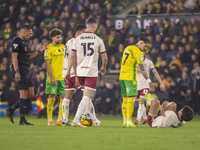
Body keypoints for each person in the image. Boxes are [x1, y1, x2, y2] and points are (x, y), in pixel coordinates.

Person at [65, 17, 108, 127]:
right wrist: (103, 67)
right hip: (91, 72)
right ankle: (75, 119)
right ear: (95, 26)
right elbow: (105, 57)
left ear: (86, 25)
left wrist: (68, 71)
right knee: (87, 97)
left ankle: (95, 120)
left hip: (79, 71)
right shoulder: (98, 39)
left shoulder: (77, 39)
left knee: (87, 97)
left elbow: (72, 56)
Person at [5, 25, 47, 125]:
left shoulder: (25, 43)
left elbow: (27, 57)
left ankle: (11, 110)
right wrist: (17, 71)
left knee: (31, 95)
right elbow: (14, 57)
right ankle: (22, 120)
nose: (31, 35)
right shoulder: (16, 41)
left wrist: (38, 51)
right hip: (19, 70)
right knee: (23, 94)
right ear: (24, 32)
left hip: (25, 69)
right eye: (29, 33)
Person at [119, 36, 154, 128]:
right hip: (130, 77)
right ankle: (129, 122)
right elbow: (142, 69)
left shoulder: (127, 47)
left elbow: (122, 61)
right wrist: (149, 80)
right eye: (145, 46)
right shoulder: (138, 52)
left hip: (122, 76)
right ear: (141, 43)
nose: (145, 49)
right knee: (130, 100)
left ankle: (125, 121)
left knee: (125, 99)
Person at [134, 52, 164, 125]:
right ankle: (144, 118)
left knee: (141, 101)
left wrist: (161, 83)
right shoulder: (134, 61)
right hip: (136, 85)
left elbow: (155, 72)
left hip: (145, 85)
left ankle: (137, 120)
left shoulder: (148, 62)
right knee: (140, 103)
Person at [44, 28, 65, 126]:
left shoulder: (64, 47)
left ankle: (60, 120)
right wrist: (51, 77)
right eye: (58, 37)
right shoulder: (49, 49)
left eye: (60, 37)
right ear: (52, 38)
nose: (60, 39)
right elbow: (47, 65)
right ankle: (49, 120)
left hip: (63, 77)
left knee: (63, 98)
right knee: (52, 97)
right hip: (53, 77)